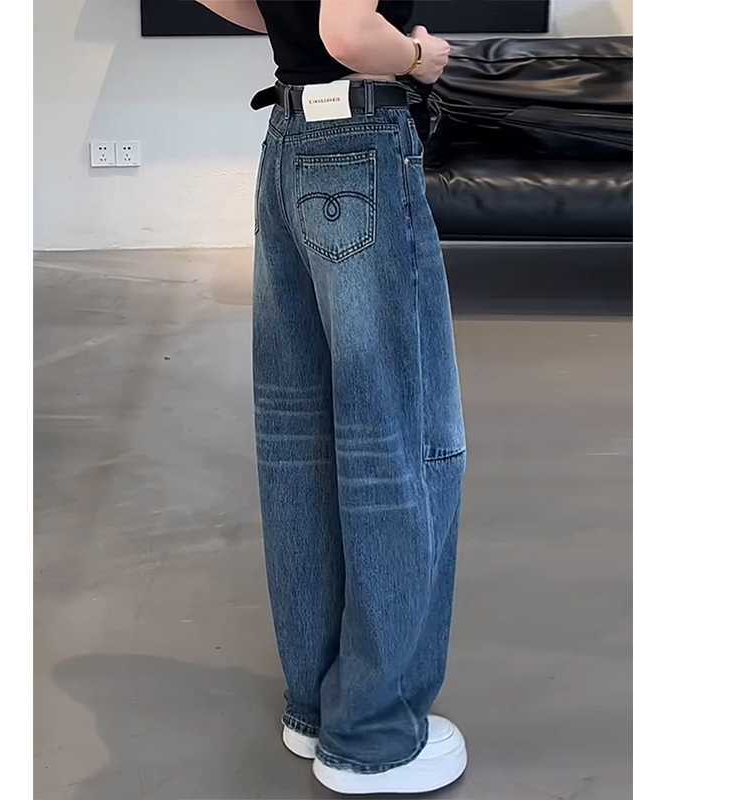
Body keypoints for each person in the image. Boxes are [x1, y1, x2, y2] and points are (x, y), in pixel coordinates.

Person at [196, 1, 467, 794]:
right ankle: (374, 735)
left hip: (288, 144)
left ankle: (316, 706)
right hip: (360, 142)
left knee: (302, 443)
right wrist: (417, 57)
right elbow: (350, 35)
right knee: (399, 439)